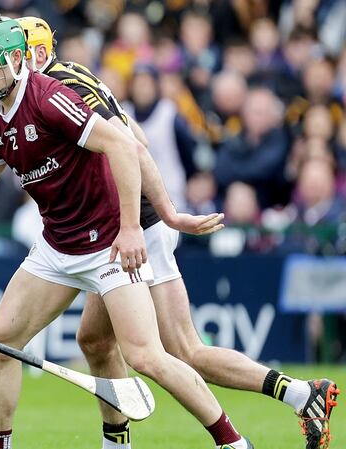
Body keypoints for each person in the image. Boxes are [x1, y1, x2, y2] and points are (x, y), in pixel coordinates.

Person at [0, 16, 252, 449]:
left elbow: (124, 145)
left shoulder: (50, 98)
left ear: (15, 58)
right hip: (56, 246)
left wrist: (129, 229)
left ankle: (234, 443)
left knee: (146, 356)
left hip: (106, 244)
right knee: (0, 341)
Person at [18, 15, 339, 449]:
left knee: (176, 350)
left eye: (12, 52)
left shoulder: (63, 87)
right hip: (124, 223)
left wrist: (164, 215)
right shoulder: (59, 78)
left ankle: (239, 435)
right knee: (95, 339)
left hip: (131, 225)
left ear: (35, 53)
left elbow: (134, 146)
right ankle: (301, 395)